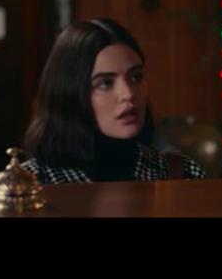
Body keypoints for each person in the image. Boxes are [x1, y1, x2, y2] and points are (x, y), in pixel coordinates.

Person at [21, 18, 206, 183]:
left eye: (136, 77)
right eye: (106, 83)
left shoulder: (180, 173)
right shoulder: (30, 183)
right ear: (70, 94)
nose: (128, 94)